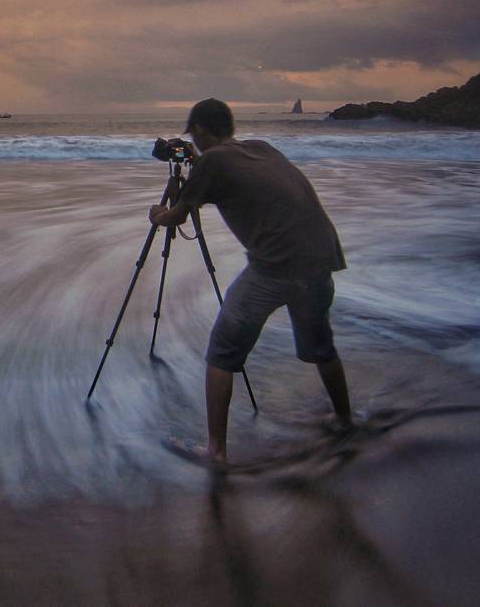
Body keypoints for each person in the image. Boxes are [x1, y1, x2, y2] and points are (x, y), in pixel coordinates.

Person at [149, 98, 351, 464]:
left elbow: (178, 217)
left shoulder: (212, 162)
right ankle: (346, 421)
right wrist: (199, 166)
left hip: (275, 267)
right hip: (321, 259)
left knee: (222, 352)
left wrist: (157, 214)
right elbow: (238, 179)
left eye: (192, 134)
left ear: (200, 130)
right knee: (322, 347)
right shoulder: (262, 149)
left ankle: (216, 452)